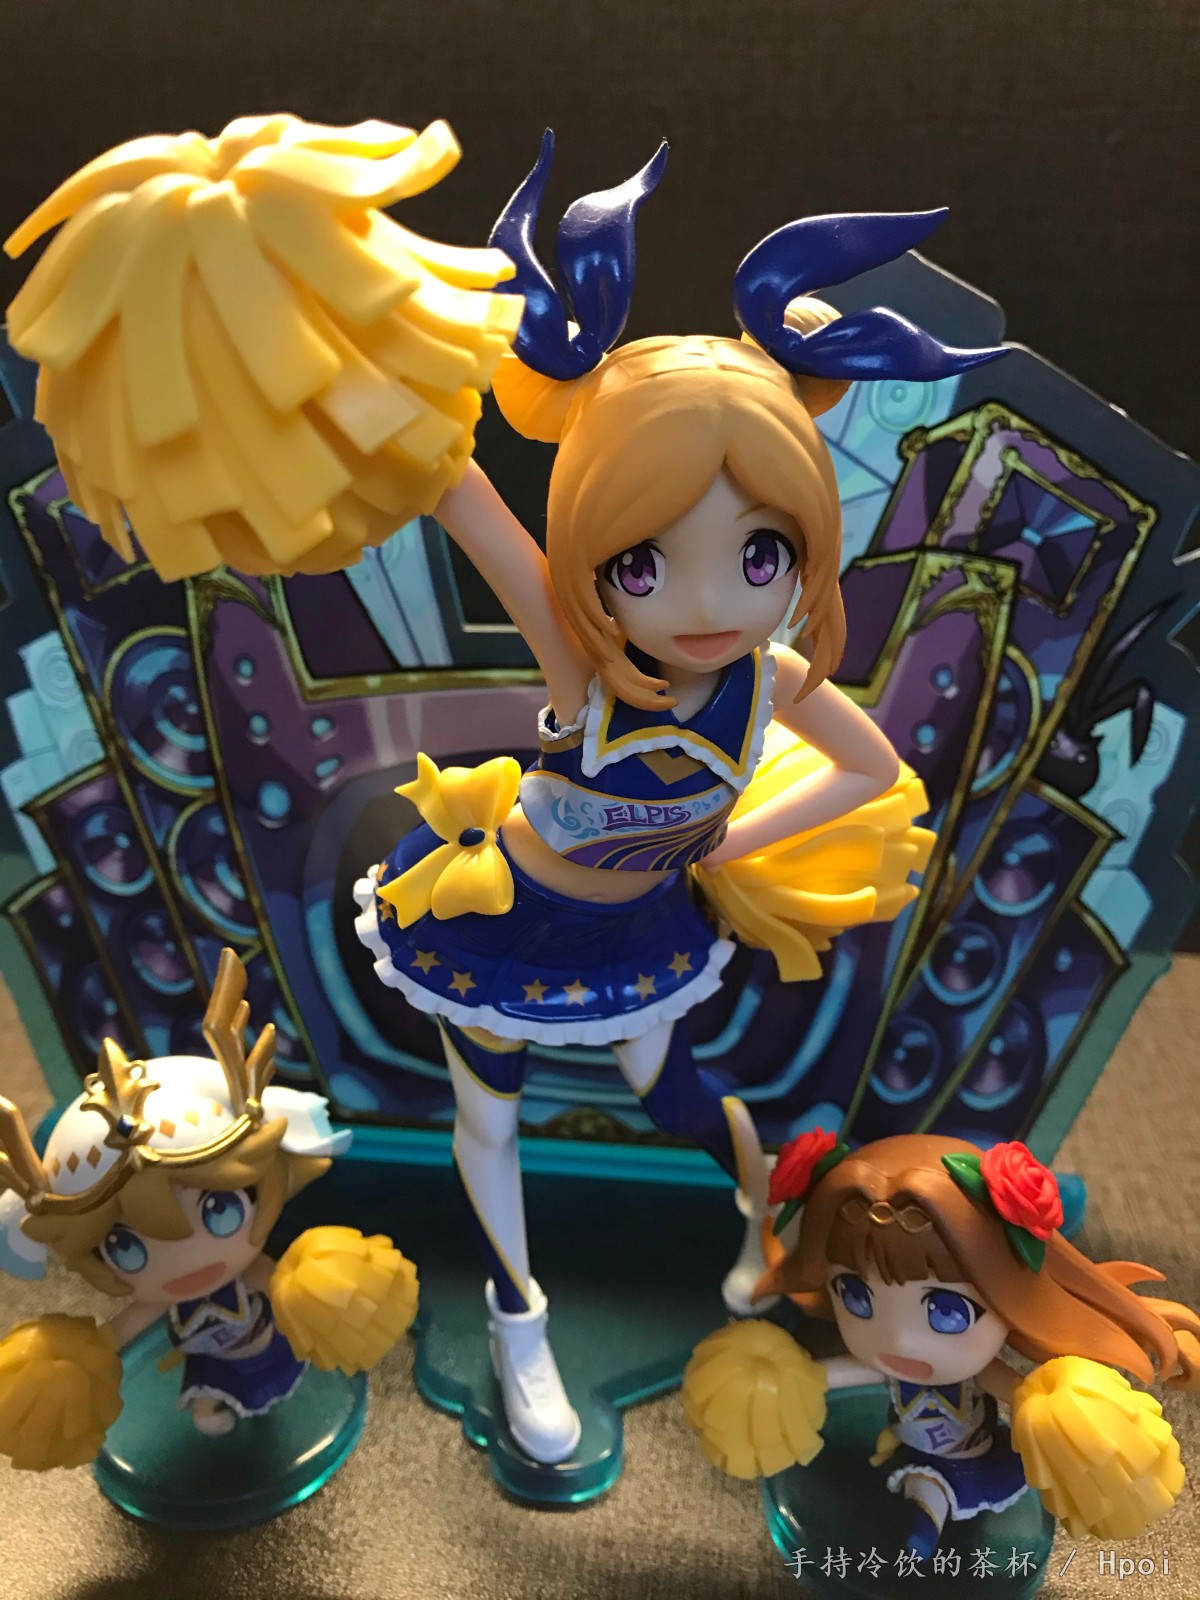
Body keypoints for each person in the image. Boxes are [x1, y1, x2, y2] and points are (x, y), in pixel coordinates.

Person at [353, 132, 1004, 1465]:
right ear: (595, 553)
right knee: (490, 1116)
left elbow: (873, 770)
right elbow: (462, 495)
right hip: (505, 922)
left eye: (759, 556)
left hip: (641, 926)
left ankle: (769, 1232)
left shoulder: (769, 680)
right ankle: (519, 1319)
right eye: (646, 565)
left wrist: (726, 840)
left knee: (679, 1093)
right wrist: (355, 358)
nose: (707, 602)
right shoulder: (577, 656)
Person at [684, 1131, 1200, 1556]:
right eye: (856, 1296)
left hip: (969, 1449)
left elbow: (1014, 1389)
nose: (898, 1339)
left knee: (932, 1491)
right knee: (923, 1485)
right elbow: (833, 1374)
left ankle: (923, 1536)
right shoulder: (890, 1358)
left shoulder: (994, 1378)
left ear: (1013, 1299)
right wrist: (794, 1380)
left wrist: (1056, 1418)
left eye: (947, 1313)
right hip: (911, 1446)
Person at [0, 949, 418, 1469]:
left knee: (276, 1371)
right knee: (210, 1395)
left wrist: (319, 1293)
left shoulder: (258, 1268)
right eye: (126, 1248)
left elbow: (276, 1281)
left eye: (221, 1211)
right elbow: (120, 1333)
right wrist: (77, 1364)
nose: (186, 1260)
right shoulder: (159, 1299)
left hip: (261, 1339)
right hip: (208, 1358)